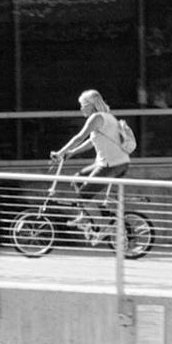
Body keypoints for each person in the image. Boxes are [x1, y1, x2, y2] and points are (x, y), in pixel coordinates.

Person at [49, 88, 132, 236]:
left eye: (83, 104)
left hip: (111, 164)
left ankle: (102, 226)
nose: (81, 108)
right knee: (77, 179)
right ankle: (85, 217)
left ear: (91, 104)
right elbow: (90, 142)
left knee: (83, 195)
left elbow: (79, 137)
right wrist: (72, 153)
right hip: (115, 162)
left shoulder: (97, 118)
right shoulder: (107, 117)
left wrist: (59, 152)